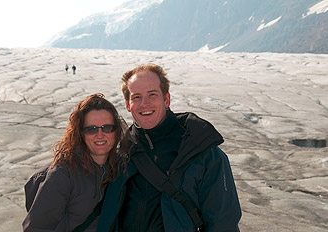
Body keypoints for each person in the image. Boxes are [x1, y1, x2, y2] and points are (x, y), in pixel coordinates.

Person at [96, 64, 242, 232]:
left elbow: (223, 224)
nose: (144, 103)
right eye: (136, 97)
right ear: (128, 105)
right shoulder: (120, 153)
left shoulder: (203, 153)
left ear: (166, 99)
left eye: (152, 94)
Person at [22, 93, 128, 232]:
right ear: (80, 133)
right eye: (92, 129)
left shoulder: (122, 168)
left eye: (107, 128)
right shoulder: (62, 175)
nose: (100, 135)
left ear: (116, 130)